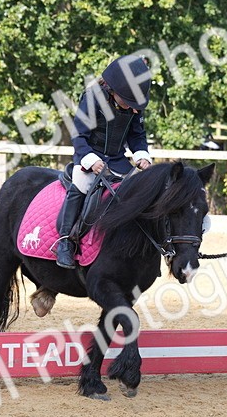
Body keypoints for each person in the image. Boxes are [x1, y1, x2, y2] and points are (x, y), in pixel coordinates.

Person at [29, 55, 154, 318]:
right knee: (81, 187)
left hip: (119, 161)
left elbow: (136, 135)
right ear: (113, 90)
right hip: (89, 157)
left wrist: (142, 154)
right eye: (128, 103)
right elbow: (80, 135)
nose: (132, 109)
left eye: (135, 106)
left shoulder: (133, 105)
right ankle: (65, 240)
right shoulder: (93, 97)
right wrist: (91, 160)